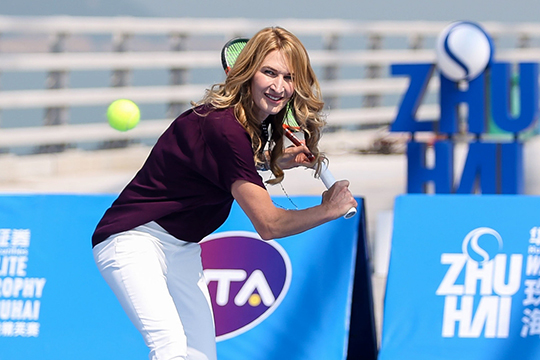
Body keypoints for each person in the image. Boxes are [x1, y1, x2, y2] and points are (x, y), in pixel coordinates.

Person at [91, 26, 357, 360]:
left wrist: (274, 160)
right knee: (170, 349)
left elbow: (224, 167)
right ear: (247, 72)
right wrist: (328, 209)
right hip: (133, 239)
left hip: (182, 249)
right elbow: (269, 224)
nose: (279, 86)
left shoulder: (246, 125)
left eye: (288, 77)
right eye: (269, 73)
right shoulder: (225, 127)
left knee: (201, 355)